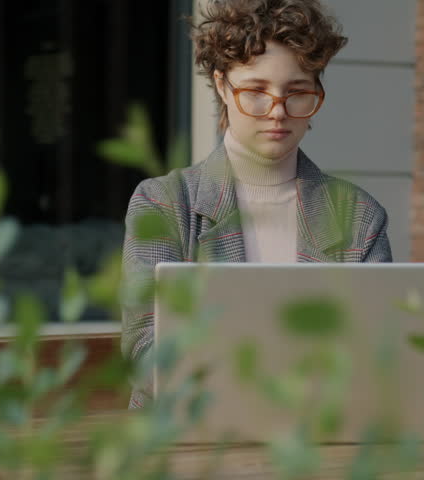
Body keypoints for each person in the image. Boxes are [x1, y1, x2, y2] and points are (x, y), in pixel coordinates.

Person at [121, 0, 392, 409]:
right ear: (221, 85)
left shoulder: (359, 217)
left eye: (297, 92)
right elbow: (147, 353)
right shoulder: (163, 203)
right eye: (256, 91)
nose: (278, 112)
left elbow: (380, 355)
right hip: (187, 448)